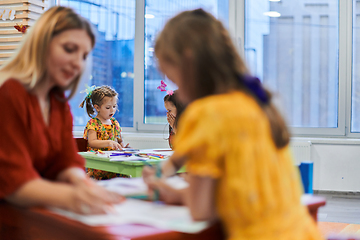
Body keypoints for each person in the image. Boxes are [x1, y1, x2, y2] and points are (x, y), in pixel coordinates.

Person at [143, 9, 324, 240]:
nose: (172, 85)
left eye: (171, 74)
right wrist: (171, 183)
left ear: (187, 60)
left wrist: (170, 192)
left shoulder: (205, 113)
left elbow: (201, 210)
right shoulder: (254, 102)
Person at [0, 6, 123, 215]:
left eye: (84, 55)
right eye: (69, 49)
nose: (78, 63)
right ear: (41, 45)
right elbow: (13, 181)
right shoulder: (10, 94)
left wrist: (83, 185)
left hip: (40, 215)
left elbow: (67, 160)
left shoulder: (58, 103)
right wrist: (73, 196)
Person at [80, 85, 129, 180]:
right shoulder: (93, 123)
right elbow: (92, 142)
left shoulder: (114, 123)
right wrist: (109, 142)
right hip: (98, 166)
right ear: (97, 107)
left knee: (125, 176)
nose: (112, 110)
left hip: (113, 163)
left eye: (114, 106)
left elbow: (120, 141)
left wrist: (124, 148)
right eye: (108, 107)